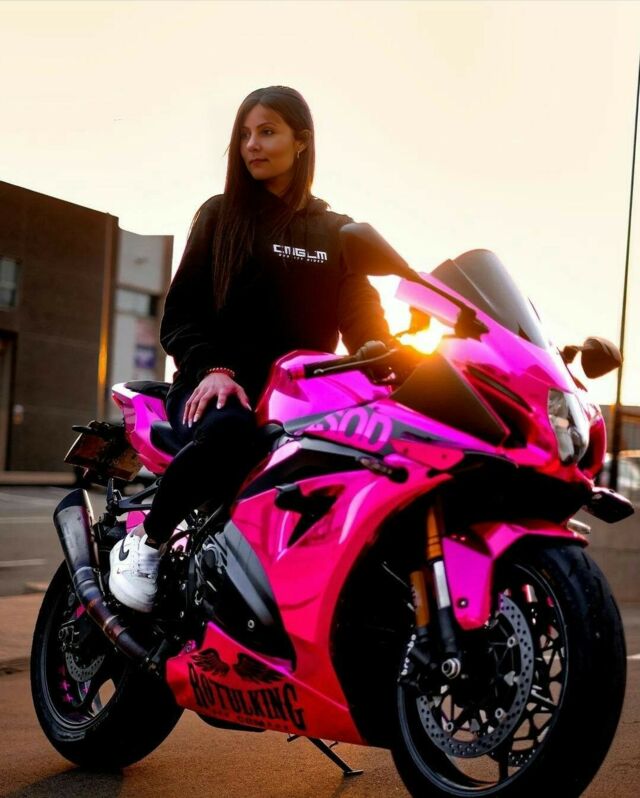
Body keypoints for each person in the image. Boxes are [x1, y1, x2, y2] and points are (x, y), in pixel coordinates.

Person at [109, 86, 391, 613]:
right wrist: (213, 368)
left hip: (301, 403)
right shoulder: (221, 216)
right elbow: (180, 316)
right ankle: (146, 541)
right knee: (231, 431)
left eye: (266, 132)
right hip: (215, 387)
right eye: (244, 134)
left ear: (301, 141)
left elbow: (367, 327)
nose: (251, 145)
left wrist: (401, 363)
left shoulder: (337, 233)